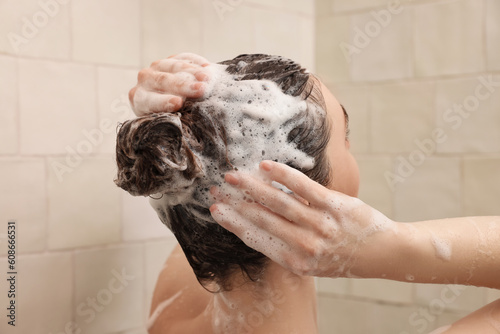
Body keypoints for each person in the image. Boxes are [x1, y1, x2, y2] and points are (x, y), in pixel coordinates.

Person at [129, 53, 500, 334]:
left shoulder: (175, 302)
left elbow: (208, 181)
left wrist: (183, 120)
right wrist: (396, 246)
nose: (353, 145)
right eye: (346, 136)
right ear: (295, 201)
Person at [117, 53, 358, 333]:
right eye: (344, 136)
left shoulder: (172, 311)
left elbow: (206, 192)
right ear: (287, 202)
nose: (351, 146)